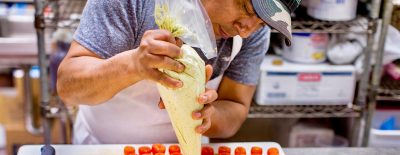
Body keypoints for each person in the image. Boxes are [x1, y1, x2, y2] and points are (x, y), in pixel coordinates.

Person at [57, 0, 300, 144]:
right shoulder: (132, 4)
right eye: (246, 7)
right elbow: (68, 88)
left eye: (262, 21)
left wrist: (210, 117)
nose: (246, 30)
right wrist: (132, 65)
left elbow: (236, 106)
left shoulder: (252, 34)